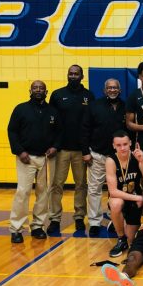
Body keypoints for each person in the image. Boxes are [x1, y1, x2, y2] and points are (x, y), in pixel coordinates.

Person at [7, 80, 61, 243]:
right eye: (35, 88)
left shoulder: (52, 111)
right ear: (30, 90)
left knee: (43, 193)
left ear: (46, 91)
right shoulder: (21, 109)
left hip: (45, 157)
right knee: (22, 192)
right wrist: (20, 151)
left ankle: (37, 226)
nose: (38, 90)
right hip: (26, 157)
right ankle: (16, 229)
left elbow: (60, 132)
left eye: (41, 88)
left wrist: (55, 147)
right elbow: (12, 131)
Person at [48, 64, 95, 234]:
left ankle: (79, 217)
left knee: (81, 185)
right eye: (70, 73)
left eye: (76, 74)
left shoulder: (89, 96)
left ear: (82, 76)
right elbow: (50, 120)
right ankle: (54, 219)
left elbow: (91, 123)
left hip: (81, 150)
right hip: (60, 149)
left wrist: (87, 149)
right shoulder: (57, 95)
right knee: (56, 185)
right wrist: (52, 144)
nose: (73, 76)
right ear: (67, 75)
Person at [80, 79, 127, 237]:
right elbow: (85, 129)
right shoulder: (94, 106)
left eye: (115, 87)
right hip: (97, 155)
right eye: (109, 88)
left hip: (118, 157)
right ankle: (94, 222)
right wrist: (85, 151)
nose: (112, 90)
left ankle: (115, 220)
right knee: (94, 189)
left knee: (117, 190)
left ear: (119, 90)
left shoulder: (125, 107)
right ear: (104, 90)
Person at [105, 130, 143, 257]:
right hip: (124, 197)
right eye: (119, 145)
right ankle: (120, 238)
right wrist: (137, 197)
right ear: (113, 145)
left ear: (130, 143)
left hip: (134, 202)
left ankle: (121, 223)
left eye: (125, 144)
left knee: (132, 240)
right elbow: (113, 191)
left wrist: (142, 161)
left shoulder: (137, 156)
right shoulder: (111, 161)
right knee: (116, 203)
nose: (122, 148)